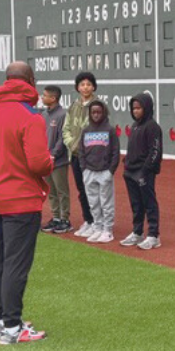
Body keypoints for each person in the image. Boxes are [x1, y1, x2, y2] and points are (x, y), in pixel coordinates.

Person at [0, 61, 54, 344]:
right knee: (16, 263)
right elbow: (39, 163)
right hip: (20, 199)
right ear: (30, 81)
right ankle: (12, 327)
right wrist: (51, 160)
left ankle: (0, 319)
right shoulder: (31, 116)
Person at [121, 93, 162, 250]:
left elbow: (155, 151)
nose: (136, 111)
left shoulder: (152, 127)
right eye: (134, 108)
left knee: (149, 203)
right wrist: (127, 163)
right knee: (136, 204)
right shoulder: (134, 126)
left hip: (144, 173)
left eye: (139, 108)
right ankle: (137, 232)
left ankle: (153, 236)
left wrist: (145, 170)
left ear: (147, 108)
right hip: (130, 172)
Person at [62, 72, 99, 237]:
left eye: (89, 84)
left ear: (93, 87)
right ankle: (88, 220)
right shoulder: (74, 105)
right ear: (77, 87)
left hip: (91, 156)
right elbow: (66, 128)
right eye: (82, 84)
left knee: (93, 189)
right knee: (81, 189)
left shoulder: (98, 106)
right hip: (75, 155)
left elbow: (100, 131)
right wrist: (72, 144)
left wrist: (83, 148)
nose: (85, 87)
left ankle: (98, 222)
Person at [80, 100, 120, 244]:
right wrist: (84, 169)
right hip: (89, 172)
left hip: (104, 172)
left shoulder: (109, 130)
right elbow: (81, 151)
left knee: (106, 203)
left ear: (103, 113)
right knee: (94, 203)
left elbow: (116, 152)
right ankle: (97, 227)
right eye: (93, 112)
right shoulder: (86, 131)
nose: (96, 115)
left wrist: (110, 171)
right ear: (90, 114)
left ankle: (107, 230)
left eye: (98, 112)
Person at [39, 85, 71, 234]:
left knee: (61, 191)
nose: (42, 97)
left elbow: (62, 138)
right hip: (46, 160)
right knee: (51, 191)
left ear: (53, 98)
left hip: (58, 161)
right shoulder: (44, 114)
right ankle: (56, 217)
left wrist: (54, 154)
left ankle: (65, 219)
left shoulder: (63, 114)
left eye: (44, 95)